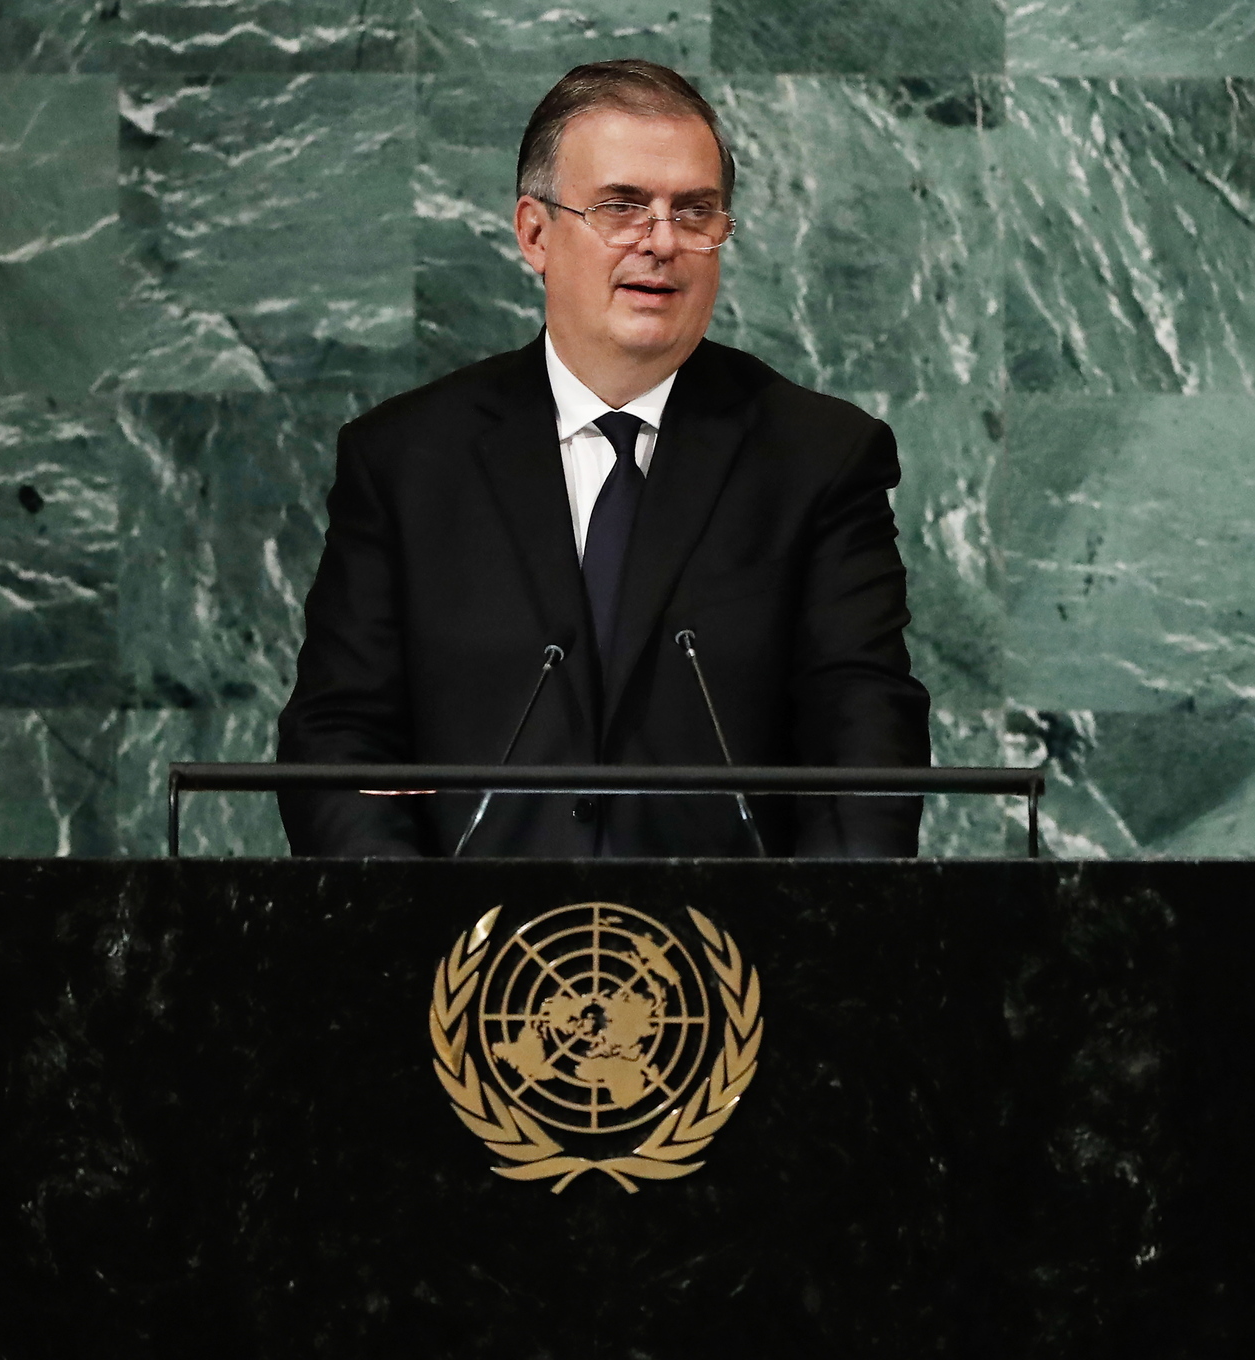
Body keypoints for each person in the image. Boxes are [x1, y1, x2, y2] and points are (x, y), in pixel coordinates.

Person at [278, 59, 930, 857]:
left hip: (732, 935)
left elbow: (864, 738)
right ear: (535, 233)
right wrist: (415, 923)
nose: (663, 242)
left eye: (695, 212)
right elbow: (339, 739)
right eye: (622, 207)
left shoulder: (819, 458)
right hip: (470, 933)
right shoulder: (405, 461)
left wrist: (812, 925)